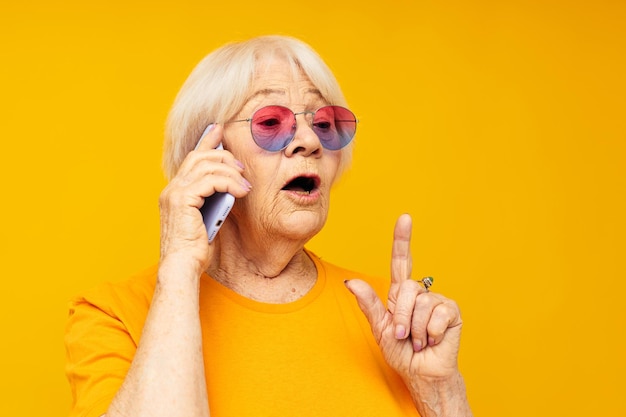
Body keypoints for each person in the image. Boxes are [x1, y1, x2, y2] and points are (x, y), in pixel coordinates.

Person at [65, 35, 472, 417]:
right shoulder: (114, 315)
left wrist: (439, 391)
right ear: (209, 156)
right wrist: (178, 270)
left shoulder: (392, 317)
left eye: (325, 123)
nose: (310, 140)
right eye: (272, 122)